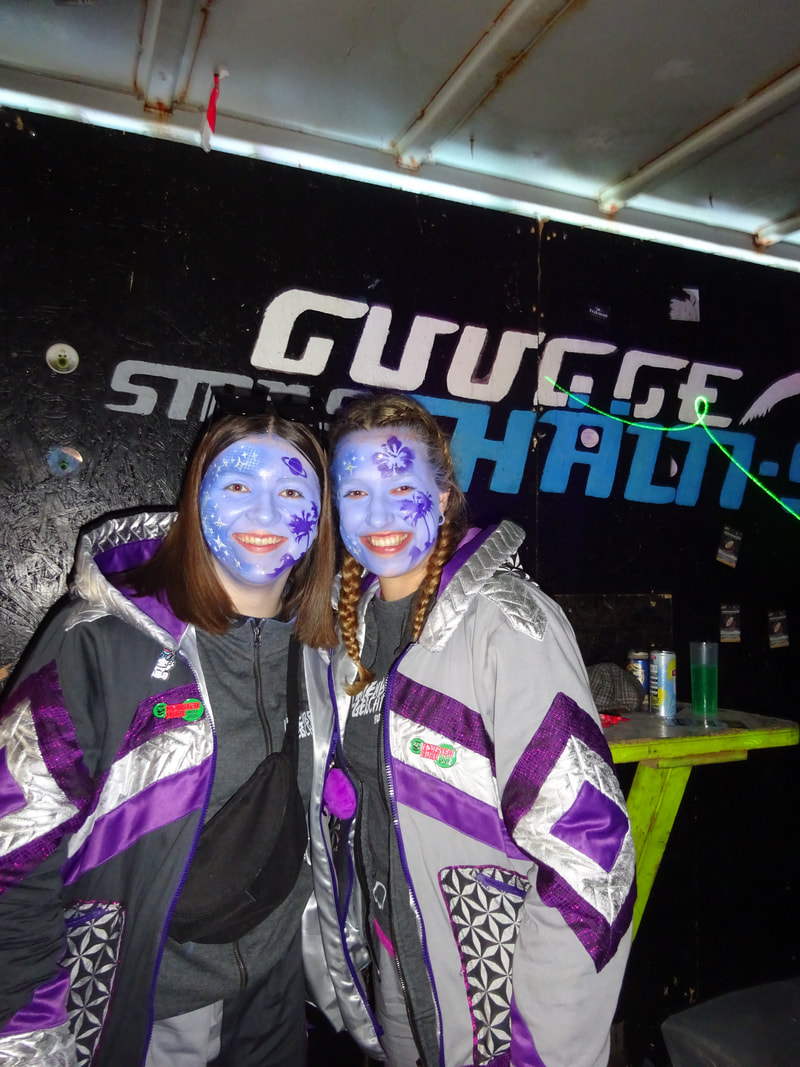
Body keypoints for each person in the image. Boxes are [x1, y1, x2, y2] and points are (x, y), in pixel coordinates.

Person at [303, 393, 636, 1067]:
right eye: (356, 492)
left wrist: (544, 1050)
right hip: (400, 978)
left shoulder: (505, 625)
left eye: (402, 488)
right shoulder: (341, 636)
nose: (379, 515)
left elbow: (592, 862)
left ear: (443, 494)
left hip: (500, 998)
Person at [0, 403, 336, 1067]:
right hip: (145, 1008)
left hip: (274, 996)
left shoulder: (331, 652)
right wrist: (27, 1030)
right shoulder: (101, 643)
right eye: (237, 484)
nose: (265, 512)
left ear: (320, 516)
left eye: (292, 492)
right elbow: (16, 846)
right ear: (196, 496)